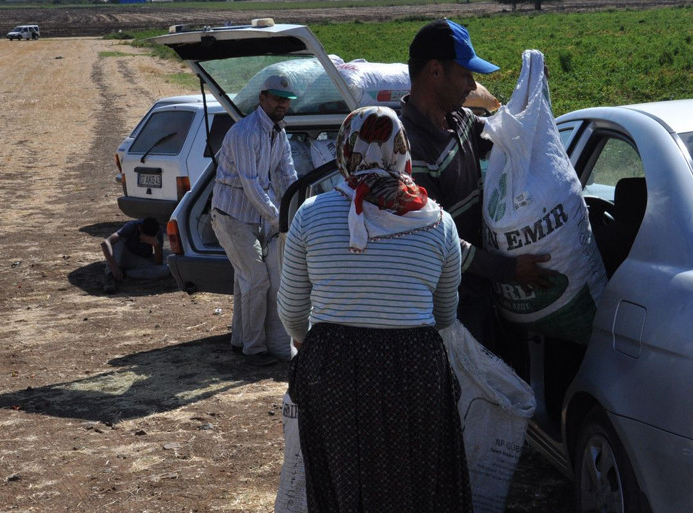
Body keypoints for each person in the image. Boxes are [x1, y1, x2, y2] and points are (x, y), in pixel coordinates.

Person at [278, 106, 471, 513]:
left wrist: (306, 341)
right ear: (402, 150)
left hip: (333, 368)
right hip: (415, 367)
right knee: (416, 482)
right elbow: (445, 314)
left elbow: (292, 310)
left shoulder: (311, 215)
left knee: (342, 481)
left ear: (345, 150)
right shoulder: (440, 222)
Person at [400, 18, 557, 369]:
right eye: (465, 75)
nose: (472, 85)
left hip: (486, 292)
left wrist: (534, 102)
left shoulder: (458, 121)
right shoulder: (410, 150)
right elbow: (435, 239)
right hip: (451, 307)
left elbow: (505, 139)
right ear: (435, 72)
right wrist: (509, 269)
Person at [211, 74, 299, 366]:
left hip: (253, 219)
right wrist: (279, 220)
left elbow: (287, 176)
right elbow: (251, 185)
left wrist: (298, 211)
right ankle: (254, 351)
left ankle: (240, 341)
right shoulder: (246, 132)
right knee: (258, 280)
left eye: (285, 100)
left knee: (245, 280)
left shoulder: (279, 134)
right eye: (276, 98)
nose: (282, 104)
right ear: (262, 98)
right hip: (231, 216)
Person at [101, 217, 168, 294]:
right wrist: (114, 268)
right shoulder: (132, 226)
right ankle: (110, 276)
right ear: (139, 228)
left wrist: (156, 245)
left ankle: (125, 273)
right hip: (125, 255)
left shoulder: (158, 232)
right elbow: (105, 243)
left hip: (141, 260)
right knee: (117, 242)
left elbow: (158, 262)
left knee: (165, 270)